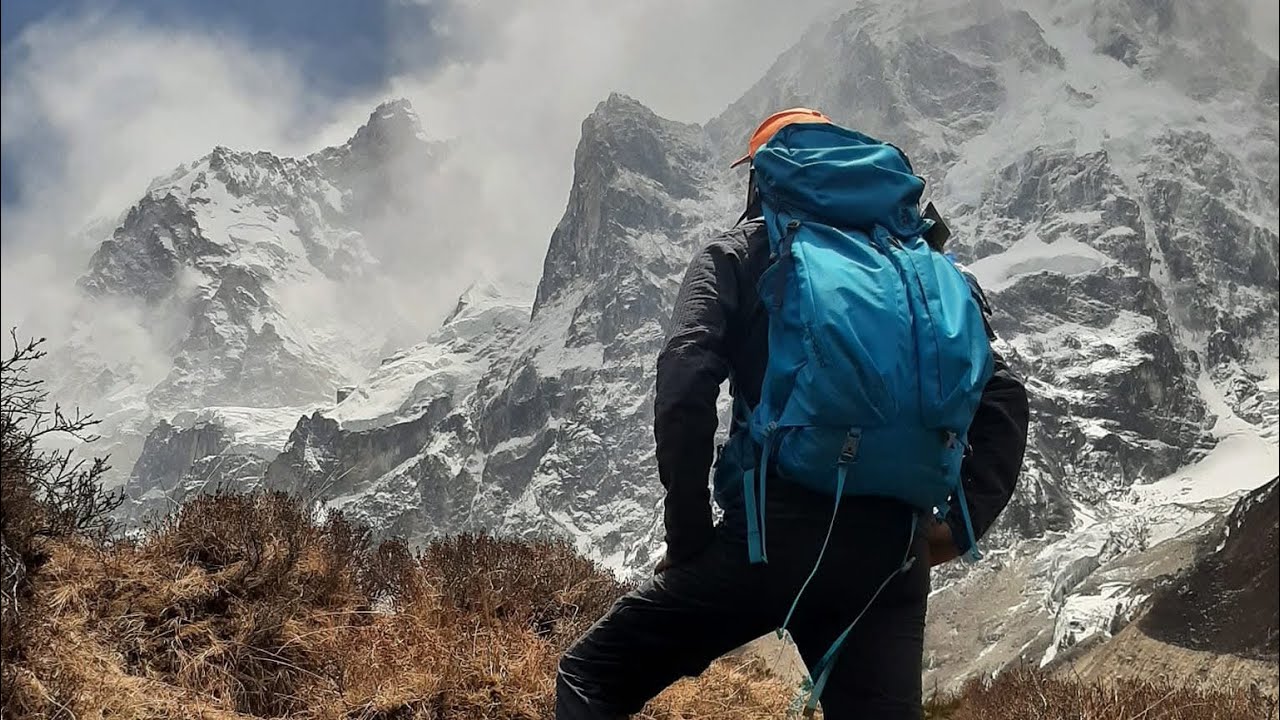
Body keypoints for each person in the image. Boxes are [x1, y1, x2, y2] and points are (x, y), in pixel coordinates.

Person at [555, 108, 1030, 719]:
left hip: (772, 539)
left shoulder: (740, 253)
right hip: (891, 559)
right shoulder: (925, 272)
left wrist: (689, 536)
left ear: (761, 177)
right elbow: (1005, 399)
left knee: (591, 675)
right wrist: (957, 529)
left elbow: (684, 379)